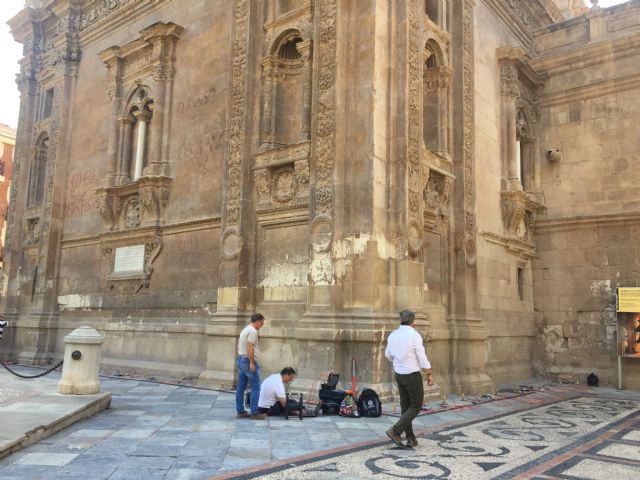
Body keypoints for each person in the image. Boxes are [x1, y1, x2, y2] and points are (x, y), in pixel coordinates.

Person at [384, 309, 434, 448]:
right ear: (413, 321)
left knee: (405, 407)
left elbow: (387, 354)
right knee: (416, 406)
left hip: (399, 374)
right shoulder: (414, 335)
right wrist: (429, 373)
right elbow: (421, 356)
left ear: (401, 320)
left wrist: (398, 360)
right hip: (412, 374)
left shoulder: (393, 335)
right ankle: (395, 431)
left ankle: (411, 438)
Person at [236, 313, 267, 420]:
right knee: (256, 386)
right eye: (262, 323)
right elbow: (250, 347)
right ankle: (254, 413)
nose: (262, 325)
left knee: (241, 387)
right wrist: (252, 362)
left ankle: (240, 412)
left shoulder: (245, 329)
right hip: (247, 361)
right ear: (257, 321)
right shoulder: (253, 331)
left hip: (241, 359)